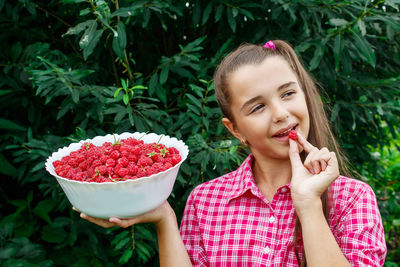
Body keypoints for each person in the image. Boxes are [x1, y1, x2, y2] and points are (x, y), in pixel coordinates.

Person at [76, 40, 387, 266]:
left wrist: (307, 205)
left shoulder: (351, 198)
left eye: (288, 93)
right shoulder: (205, 201)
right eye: (258, 106)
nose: (280, 113)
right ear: (235, 129)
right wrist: (164, 220)